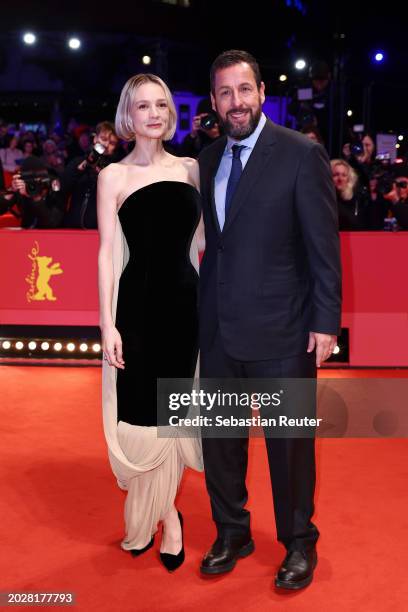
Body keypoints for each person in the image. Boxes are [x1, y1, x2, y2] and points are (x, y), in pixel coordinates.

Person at [198, 50, 341, 589]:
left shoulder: (302, 155)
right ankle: (232, 531)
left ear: (261, 93)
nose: (236, 102)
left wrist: (325, 322)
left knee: (289, 446)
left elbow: (323, 248)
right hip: (217, 326)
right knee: (220, 440)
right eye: (225, 93)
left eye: (244, 90)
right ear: (214, 101)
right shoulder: (208, 159)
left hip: (285, 327)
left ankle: (299, 542)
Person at [97, 73, 203, 572]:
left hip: (184, 307)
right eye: (143, 106)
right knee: (142, 417)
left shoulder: (189, 169)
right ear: (129, 115)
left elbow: (202, 246)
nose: (154, 113)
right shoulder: (112, 177)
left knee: (174, 416)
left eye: (162, 104)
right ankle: (156, 515)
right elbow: (104, 254)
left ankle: (171, 521)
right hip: (135, 310)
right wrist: (106, 324)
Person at [331, 158, 369, 230]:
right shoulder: (325, 201)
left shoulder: (356, 200)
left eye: (344, 175)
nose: (340, 179)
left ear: (349, 178)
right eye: (336, 175)